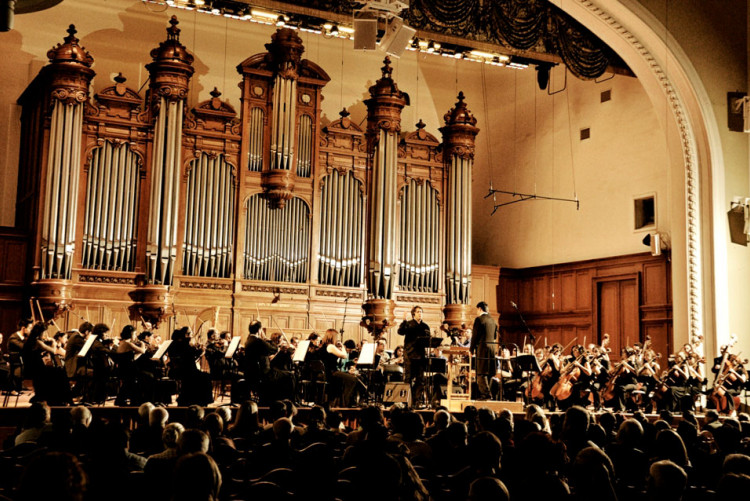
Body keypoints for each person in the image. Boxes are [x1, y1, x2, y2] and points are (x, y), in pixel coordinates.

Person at [397, 305, 431, 406]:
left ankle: (416, 401)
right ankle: (406, 401)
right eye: (418, 312)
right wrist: (403, 321)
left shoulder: (425, 326)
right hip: (410, 354)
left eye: (421, 311)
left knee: (420, 379)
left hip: (420, 355)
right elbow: (400, 332)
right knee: (408, 378)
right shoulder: (408, 324)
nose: (420, 313)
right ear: (413, 314)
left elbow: (428, 339)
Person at [471, 302, 497, 400]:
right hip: (492, 349)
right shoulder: (493, 321)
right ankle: (487, 394)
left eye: (477, 310)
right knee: (489, 373)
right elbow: (494, 337)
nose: (477, 312)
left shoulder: (479, 320)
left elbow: (475, 336)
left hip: (482, 349)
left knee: (481, 373)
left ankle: (486, 395)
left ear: (480, 309)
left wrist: (471, 349)